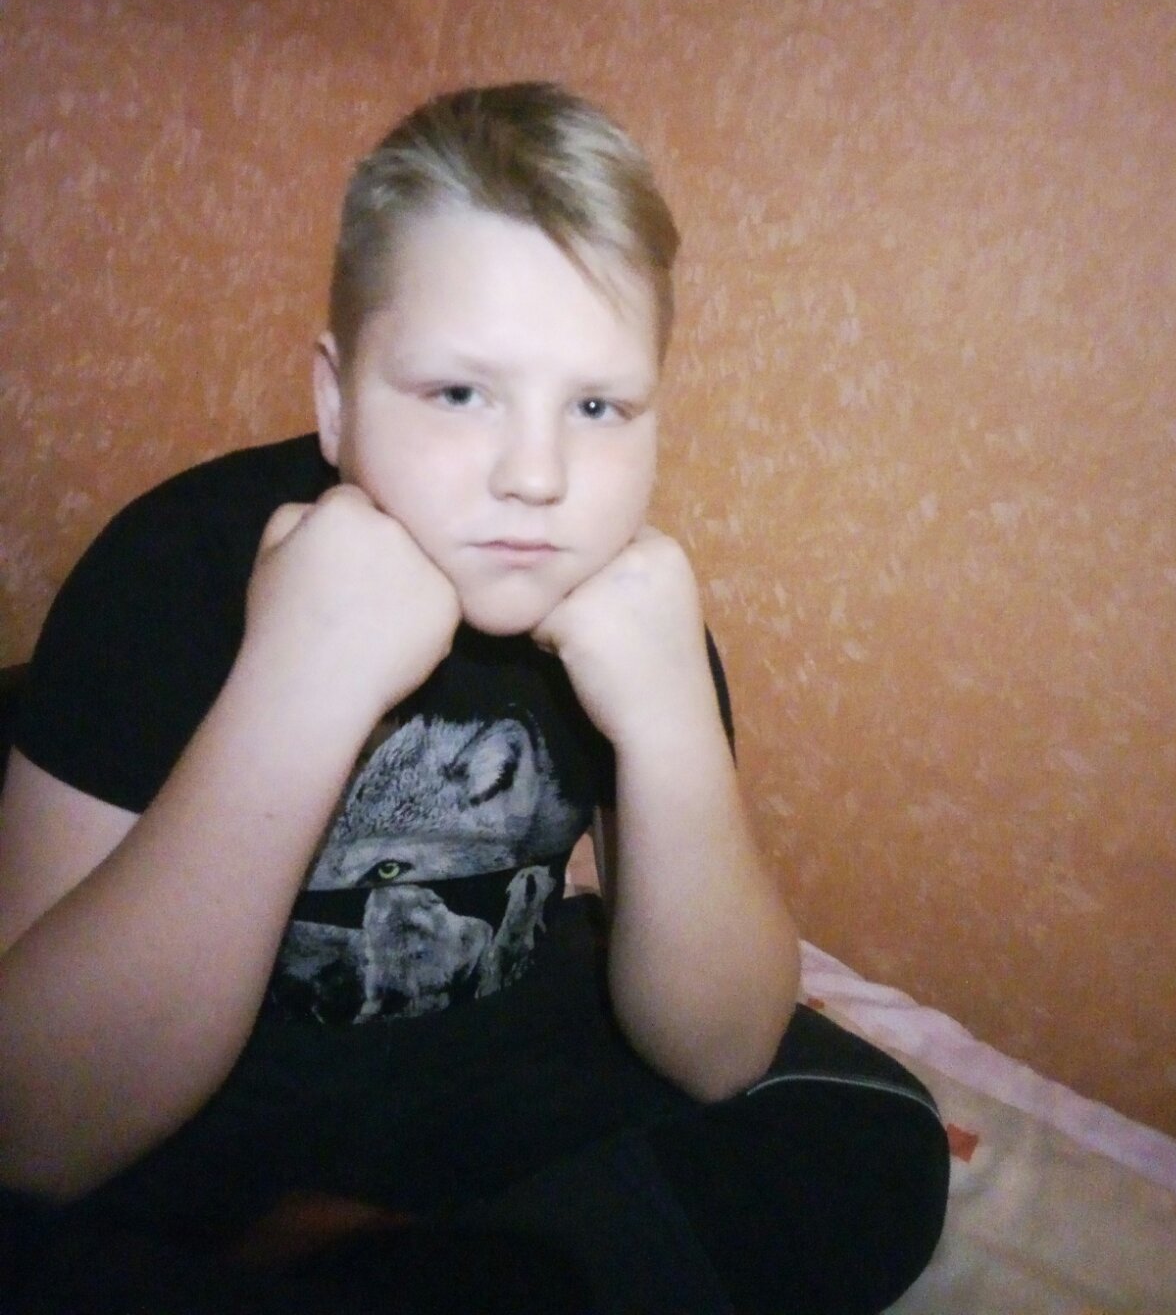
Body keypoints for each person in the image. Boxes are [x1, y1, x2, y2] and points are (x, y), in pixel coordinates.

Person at [0, 83, 949, 1313]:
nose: (538, 476)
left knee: (871, 1135)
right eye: (460, 393)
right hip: (193, 1116)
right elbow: (33, 1128)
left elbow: (718, 1052)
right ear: (337, 397)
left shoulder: (624, 600)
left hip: (479, 1087)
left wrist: (671, 723)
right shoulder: (172, 565)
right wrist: (297, 685)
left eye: (597, 406)